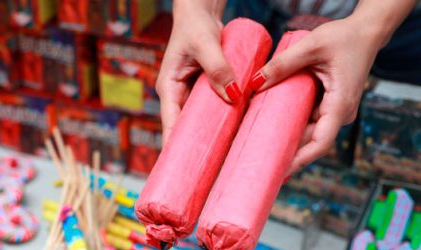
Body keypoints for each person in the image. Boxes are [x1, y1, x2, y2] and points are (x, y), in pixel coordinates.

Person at [156, 0, 419, 174]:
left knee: (391, 136)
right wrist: (195, 10)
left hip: (393, 24)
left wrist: (369, 28)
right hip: (265, 10)